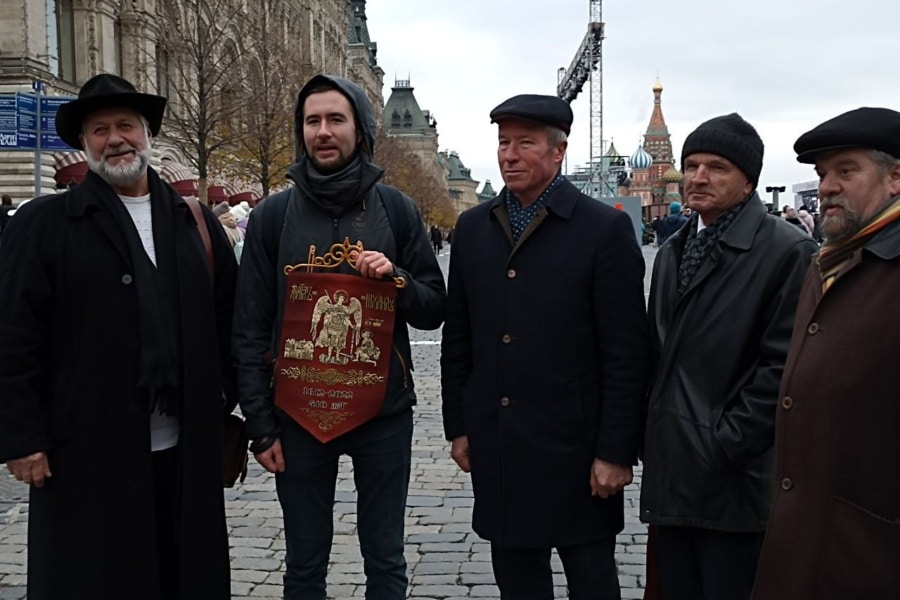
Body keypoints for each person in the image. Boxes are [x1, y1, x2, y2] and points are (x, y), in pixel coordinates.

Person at [0, 73, 236, 600]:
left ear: (147, 134)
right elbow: (14, 336)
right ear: (85, 143)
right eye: (99, 129)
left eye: (126, 125)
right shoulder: (44, 223)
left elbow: (228, 319)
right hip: (83, 452)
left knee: (182, 576)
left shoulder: (192, 219)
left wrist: (225, 399)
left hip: (185, 448)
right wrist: (21, 437)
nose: (115, 139)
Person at [232, 74, 445, 599]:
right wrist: (260, 426)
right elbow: (249, 325)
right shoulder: (270, 217)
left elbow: (433, 308)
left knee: (386, 562)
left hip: (382, 415)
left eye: (335, 119)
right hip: (297, 416)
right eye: (312, 121)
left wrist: (395, 278)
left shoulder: (397, 209)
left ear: (360, 129)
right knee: (304, 566)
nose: (323, 132)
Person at [441, 94, 648, 599]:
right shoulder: (473, 228)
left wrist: (616, 451)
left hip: (576, 450)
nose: (509, 155)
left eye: (524, 143)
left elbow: (627, 352)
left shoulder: (604, 229)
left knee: (591, 579)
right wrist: (459, 426)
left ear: (558, 152)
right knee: (517, 580)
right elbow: (459, 337)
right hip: (501, 444)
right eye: (503, 142)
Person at [640, 113, 817, 600]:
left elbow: (783, 370)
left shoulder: (788, 252)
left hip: (735, 482)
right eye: (692, 165)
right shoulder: (676, 248)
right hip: (675, 473)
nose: (699, 177)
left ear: (748, 182)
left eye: (717, 167)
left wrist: (721, 445)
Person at [752, 107, 900, 599]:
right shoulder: (830, 261)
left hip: (869, 550)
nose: (827, 186)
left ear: (896, 177)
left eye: (846, 170)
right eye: (822, 175)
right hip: (806, 536)